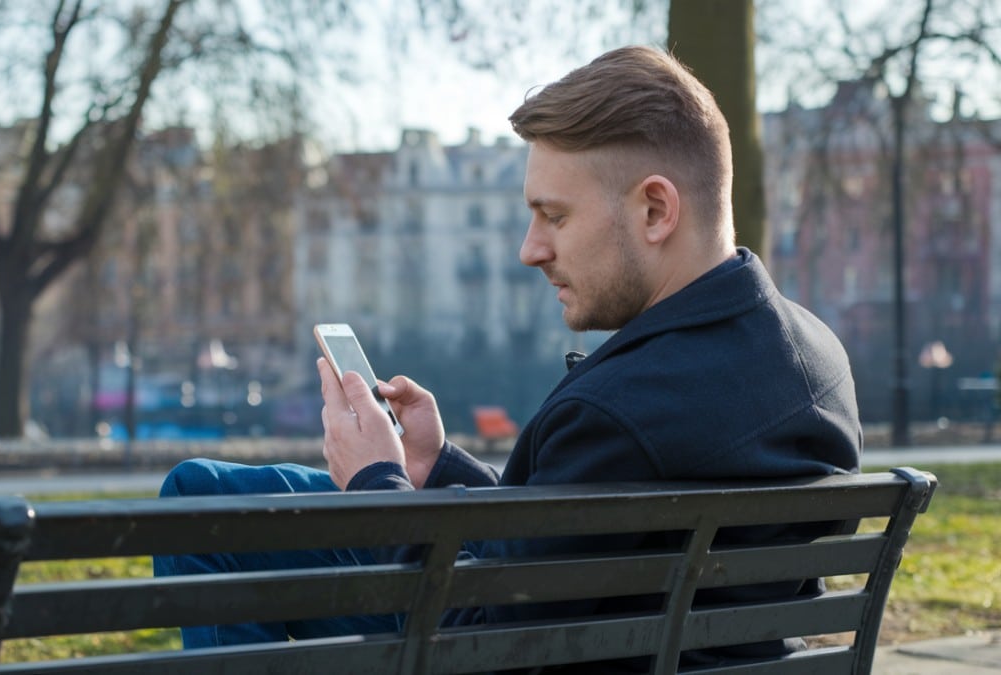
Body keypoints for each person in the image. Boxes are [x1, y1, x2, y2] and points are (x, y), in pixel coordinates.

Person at [154, 45, 861, 669]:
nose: (530, 249)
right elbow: (579, 535)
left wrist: (376, 484)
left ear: (655, 210)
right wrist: (438, 470)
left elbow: (468, 640)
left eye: (554, 215)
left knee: (204, 500)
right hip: (660, 646)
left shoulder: (618, 413)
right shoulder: (817, 360)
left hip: (518, 650)